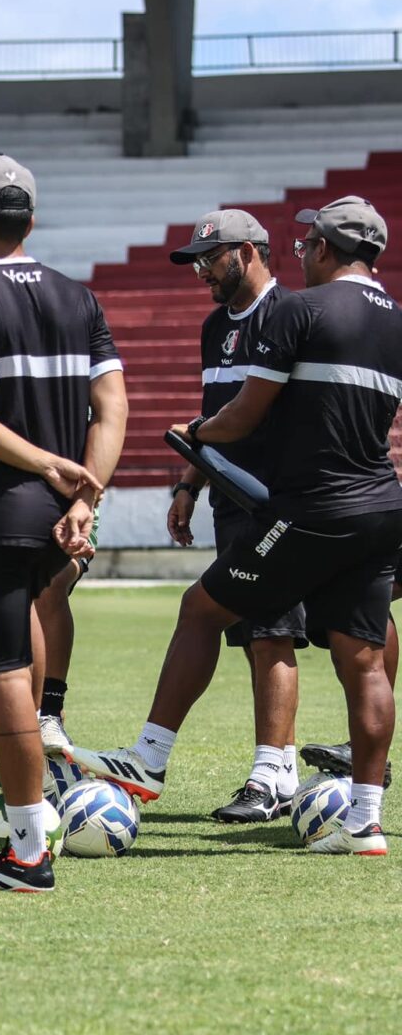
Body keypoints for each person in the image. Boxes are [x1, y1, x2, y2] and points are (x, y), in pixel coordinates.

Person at [74, 196, 402, 856]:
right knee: (363, 657)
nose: (301, 251)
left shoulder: (299, 310)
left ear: (331, 250)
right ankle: (366, 821)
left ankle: (150, 758)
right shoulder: (395, 317)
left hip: (309, 509)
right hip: (379, 503)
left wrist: (194, 435)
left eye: (310, 243)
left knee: (201, 608)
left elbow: (246, 413)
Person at [0, 154, 127, 892]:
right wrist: (84, 495)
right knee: (29, 652)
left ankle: (26, 852)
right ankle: (36, 818)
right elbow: (112, 410)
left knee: (4, 671)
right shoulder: (79, 297)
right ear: (32, 221)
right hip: (56, 517)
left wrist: (46, 465)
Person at [163, 210, 305, 822]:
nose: (201, 272)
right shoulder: (214, 326)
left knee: (274, 628)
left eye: (209, 259)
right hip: (228, 500)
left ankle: (273, 775)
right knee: (253, 633)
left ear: (247, 253)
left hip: (282, 502)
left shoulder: (294, 316)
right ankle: (284, 767)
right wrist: (189, 483)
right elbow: (212, 414)